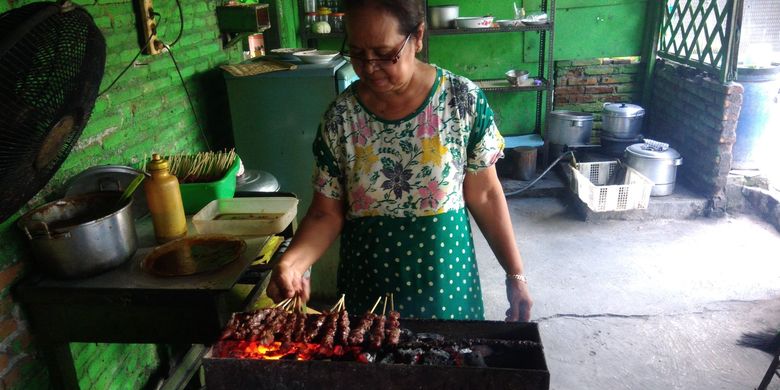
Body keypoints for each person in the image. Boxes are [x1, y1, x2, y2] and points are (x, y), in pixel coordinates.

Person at [267, 0, 532, 322]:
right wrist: (292, 264)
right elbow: (326, 212)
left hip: (446, 284)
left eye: (384, 53)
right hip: (368, 285)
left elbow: (486, 194)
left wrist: (515, 275)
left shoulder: (461, 102)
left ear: (417, 37)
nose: (370, 67)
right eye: (357, 53)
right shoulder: (341, 118)